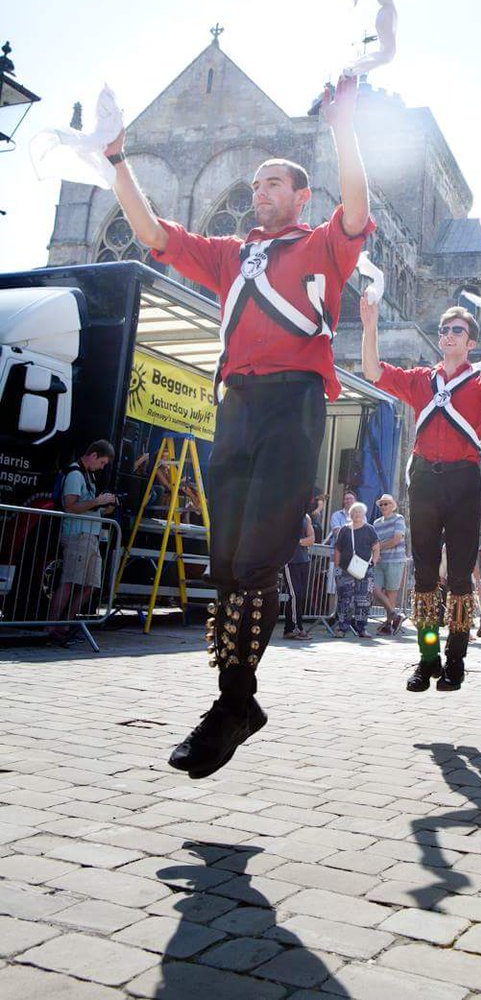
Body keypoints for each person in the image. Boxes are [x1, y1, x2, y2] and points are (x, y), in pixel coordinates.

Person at [104, 74, 373, 778]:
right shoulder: (231, 255)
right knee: (225, 564)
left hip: (294, 404)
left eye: (273, 182)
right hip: (237, 406)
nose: (259, 191)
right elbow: (152, 233)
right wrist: (116, 160)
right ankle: (239, 705)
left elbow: (357, 208)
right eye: (255, 184)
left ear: (300, 195)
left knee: (255, 562)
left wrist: (343, 124)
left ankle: (230, 707)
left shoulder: (320, 245)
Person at [361, 298, 481, 692]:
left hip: (465, 481)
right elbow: (373, 371)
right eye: (444, 330)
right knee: (425, 575)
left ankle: (456, 660)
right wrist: (370, 325)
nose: (448, 335)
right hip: (425, 480)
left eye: (457, 330)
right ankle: (428, 656)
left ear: (471, 342)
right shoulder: (421, 378)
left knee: (460, 577)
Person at [46, 440, 116, 645]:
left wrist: (106, 506)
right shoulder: (75, 474)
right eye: (102, 462)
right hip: (77, 535)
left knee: (89, 585)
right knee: (69, 582)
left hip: (90, 536)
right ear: (93, 455)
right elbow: (70, 506)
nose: (101, 467)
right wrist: (97, 501)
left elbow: (87, 507)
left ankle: (65, 626)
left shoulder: (88, 475)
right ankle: (50, 627)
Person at [333, 502, 380, 637]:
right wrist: (337, 567)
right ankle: (342, 628)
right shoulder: (344, 530)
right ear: (350, 514)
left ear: (363, 514)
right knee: (345, 599)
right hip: (345, 570)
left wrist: (374, 561)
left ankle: (361, 628)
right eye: (354, 512)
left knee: (364, 600)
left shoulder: (369, 529)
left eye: (359, 512)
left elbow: (376, 547)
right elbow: (338, 549)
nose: (357, 514)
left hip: (365, 569)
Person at [372, 494, 407, 635]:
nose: (383, 506)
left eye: (386, 503)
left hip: (395, 560)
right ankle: (395, 616)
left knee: (391, 592)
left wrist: (378, 548)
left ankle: (388, 625)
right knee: (373, 588)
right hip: (379, 561)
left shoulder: (399, 518)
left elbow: (396, 539)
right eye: (381, 504)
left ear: (393, 506)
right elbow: (375, 542)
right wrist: (376, 551)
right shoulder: (376, 523)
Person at [283, 513, 314, 640]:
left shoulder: (306, 517)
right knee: (295, 595)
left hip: (304, 560)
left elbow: (311, 539)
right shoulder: (284, 514)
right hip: (289, 561)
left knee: (299, 595)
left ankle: (289, 629)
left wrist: (298, 541)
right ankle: (296, 628)